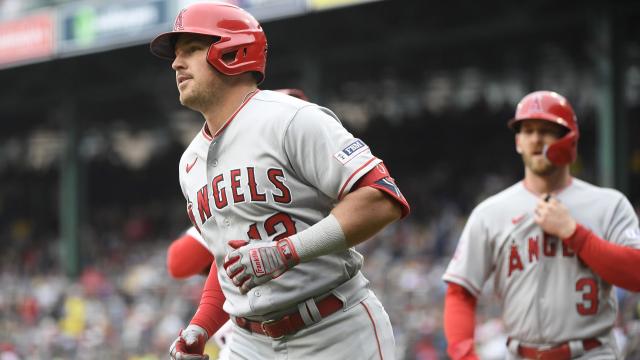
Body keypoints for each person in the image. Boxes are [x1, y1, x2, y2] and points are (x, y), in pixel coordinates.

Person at [150, 3, 410, 360]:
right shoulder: (189, 162)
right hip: (248, 343)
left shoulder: (290, 118)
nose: (176, 64)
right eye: (176, 56)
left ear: (233, 50)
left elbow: (381, 199)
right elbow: (227, 258)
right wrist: (202, 325)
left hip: (334, 331)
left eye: (191, 50)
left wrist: (289, 251)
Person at [442, 90, 640, 359]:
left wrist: (574, 234)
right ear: (517, 141)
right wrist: (465, 355)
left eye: (547, 130)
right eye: (527, 130)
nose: (535, 138)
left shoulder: (609, 204)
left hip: (591, 353)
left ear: (569, 139)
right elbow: (460, 292)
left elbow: (636, 274)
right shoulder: (490, 212)